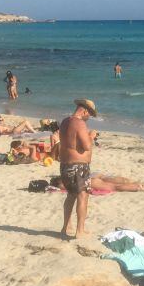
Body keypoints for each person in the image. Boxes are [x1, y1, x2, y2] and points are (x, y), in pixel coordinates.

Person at [59, 98, 96, 239]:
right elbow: (86, 146)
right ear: (85, 111)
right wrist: (91, 136)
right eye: (90, 115)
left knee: (71, 195)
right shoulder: (79, 123)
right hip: (78, 166)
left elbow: (70, 142)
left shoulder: (65, 121)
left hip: (65, 165)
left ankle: (66, 227)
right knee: (82, 196)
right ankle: (80, 230)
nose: (89, 118)